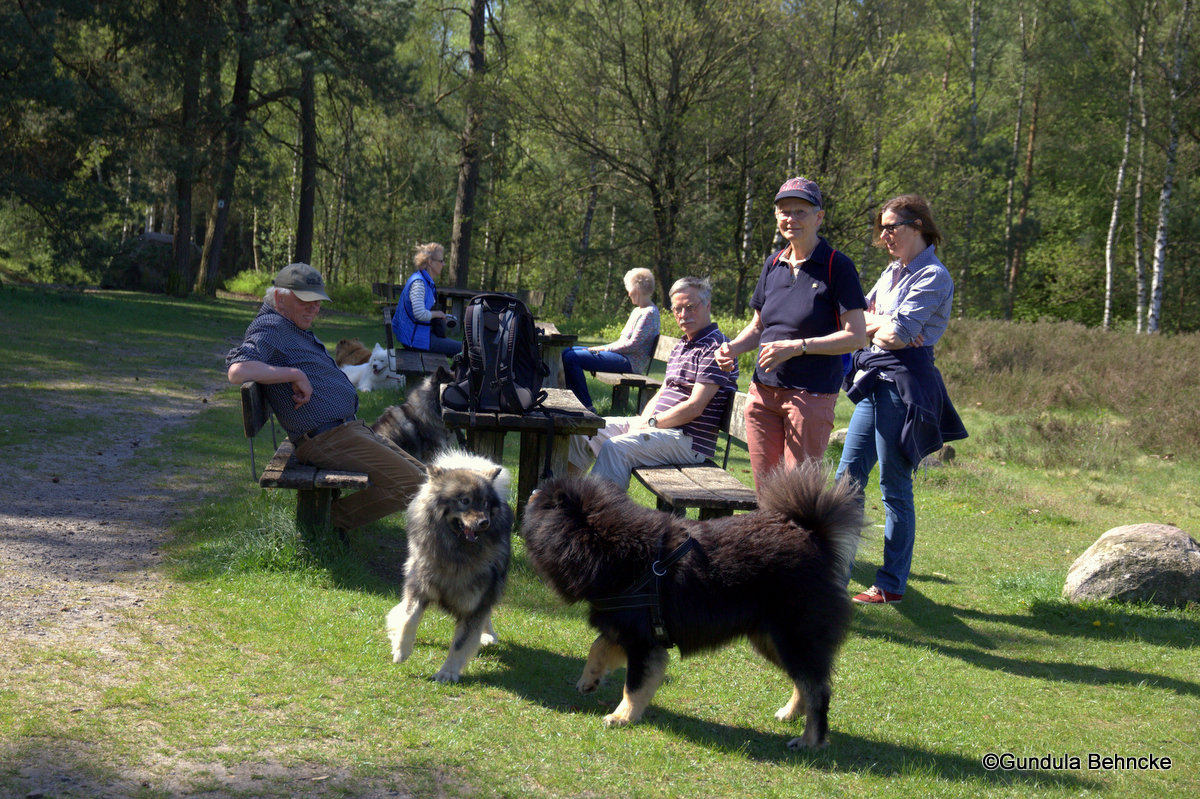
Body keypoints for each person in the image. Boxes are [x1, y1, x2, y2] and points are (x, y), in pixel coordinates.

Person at [834, 194, 967, 605]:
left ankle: (891, 584)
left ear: (918, 226)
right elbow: (852, 318)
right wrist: (882, 325)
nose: (885, 235)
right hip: (877, 377)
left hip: (905, 384)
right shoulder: (893, 271)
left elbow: (896, 335)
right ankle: (832, 572)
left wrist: (880, 326)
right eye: (882, 227)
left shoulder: (933, 276)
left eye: (892, 226)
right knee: (846, 479)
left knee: (894, 485)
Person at [227, 262, 427, 533]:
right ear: (279, 297)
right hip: (326, 438)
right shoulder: (271, 327)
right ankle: (325, 526)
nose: (314, 308)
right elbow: (238, 370)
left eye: (318, 301)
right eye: (305, 301)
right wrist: (294, 373)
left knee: (427, 479)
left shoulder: (290, 325)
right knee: (415, 485)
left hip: (346, 430)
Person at [716, 176, 868, 485]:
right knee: (766, 490)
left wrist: (797, 347)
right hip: (762, 393)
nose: (791, 219)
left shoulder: (837, 266)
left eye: (801, 211)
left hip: (809, 396)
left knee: (797, 494)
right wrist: (732, 347)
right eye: (784, 211)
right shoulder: (774, 263)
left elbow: (856, 336)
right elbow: (759, 326)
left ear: (819, 217)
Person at [569, 276, 738, 491]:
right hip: (662, 428)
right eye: (677, 309)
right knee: (584, 433)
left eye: (690, 307)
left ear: (708, 306)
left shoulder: (716, 348)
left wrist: (651, 424)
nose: (683, 315)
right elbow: (664, 391)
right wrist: (644, 419)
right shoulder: (683, 344)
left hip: (688, 440)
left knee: (615, 448)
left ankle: (601, 517)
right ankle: (566, 500)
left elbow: (695, 407)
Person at [560, 267, 660, 411]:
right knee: (567, 352)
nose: (628, 292)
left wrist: (603, 348)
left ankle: (585, 406)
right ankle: (573, 402)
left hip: (631, 363)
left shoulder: (649, 313)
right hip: (622, 356)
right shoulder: (638, 310)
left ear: (636, 290)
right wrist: (603, 348)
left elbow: (633, 345)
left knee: (572, 358)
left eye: (629, 288)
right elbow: (624, 342)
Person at [392, 242, 460, 357]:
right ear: (430, 262)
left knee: (464, 350)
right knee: (465, 350)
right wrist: (438, 314)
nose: (443, 264)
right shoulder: (419, 283)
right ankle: (456, 375)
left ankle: (454, 374)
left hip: (417, 337)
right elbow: (419, 314)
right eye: (441, 261)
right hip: (416, 341)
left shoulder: (423, 280)